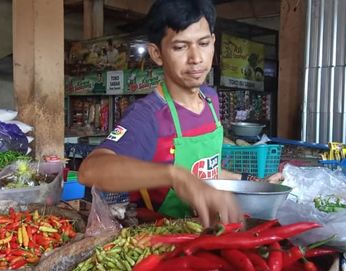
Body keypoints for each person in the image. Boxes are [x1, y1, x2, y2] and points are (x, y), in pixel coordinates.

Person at [79, 0, 281, 227]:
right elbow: (90, 170)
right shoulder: (148, 116)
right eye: (180, 47)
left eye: (203, 43)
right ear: (157, 53)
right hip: (161, 242)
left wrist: (255, 182)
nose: (196, 58)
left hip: (205, 234)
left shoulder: (210, 99)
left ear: (213, 42)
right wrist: (175, 175)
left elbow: (207, 171)